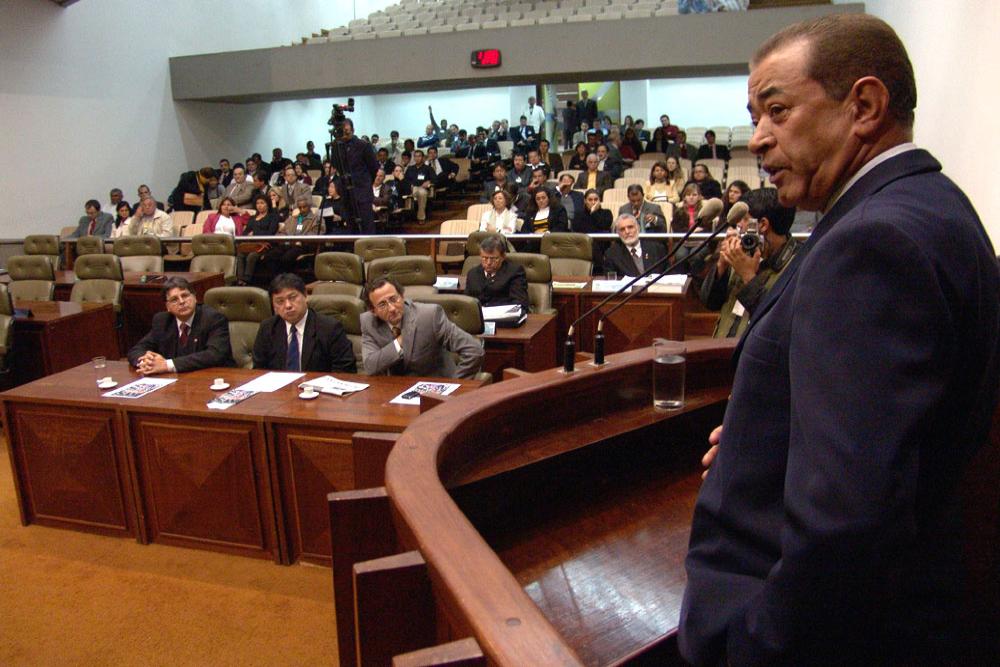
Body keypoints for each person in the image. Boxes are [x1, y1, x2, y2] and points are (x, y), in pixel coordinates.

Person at [679, 14, 1000, 667]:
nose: (758, 138)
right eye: (754, 117)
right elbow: (893, 433)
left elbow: (846, 527)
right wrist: (769, 439)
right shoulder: (933, 205)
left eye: (778, 111)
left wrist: (751, 645)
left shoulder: (871, 244)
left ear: (864, 107)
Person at [700, 187, 798, 339]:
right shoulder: (742, 252)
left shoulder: (797, 265)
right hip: (723, 346)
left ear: (763, 225)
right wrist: (721, 265)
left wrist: (748, 276)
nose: (738, 225)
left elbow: (777, 323)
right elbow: (710, 302)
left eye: (744, 219)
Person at [360, 277, 484, 379]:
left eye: (394, 299)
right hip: (395, 391)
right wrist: (399, 342)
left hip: (435, 389)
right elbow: (370, 366)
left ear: (402, 296)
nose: (392, 308)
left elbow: (474, 350)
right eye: (382, 304)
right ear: (373, 311)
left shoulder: (429, 316)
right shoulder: (368, 322)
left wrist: (455, 384)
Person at [252, 273, 356, 373]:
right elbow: (258, 370)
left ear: (305, 295)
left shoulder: (330, 328)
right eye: (280, 301)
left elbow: (345, 371)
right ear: (273, 306)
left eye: (292, 297)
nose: (288, 305)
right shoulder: (268, 328)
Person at [127, 276, 234, 374]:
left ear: (195, 298)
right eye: (174, 300)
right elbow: (136, 350)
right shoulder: (162, 321)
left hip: (214, 378)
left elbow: (214, 355)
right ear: (167, 306)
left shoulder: (212, 318)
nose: (182, 302)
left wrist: (167, 365)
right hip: (178, 380)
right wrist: (147, 362)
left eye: (185, 296)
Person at [334, 117, 380, 235]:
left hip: (362, 191)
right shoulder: (337, 146)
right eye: (342, 131)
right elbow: (336, 165)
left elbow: (373, 168)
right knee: (350, 226)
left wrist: (363, 182)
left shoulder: (363, 145)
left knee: (366, 225)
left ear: (353, 130)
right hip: (346, 192)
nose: (345, 134)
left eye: (347, 131)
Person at [465, 233, 530, 313]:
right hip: (478, 318)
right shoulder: (473, 274)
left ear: (503, 257)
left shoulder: (514, 272)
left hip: (504, 317)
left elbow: (520, 304)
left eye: (493, 259)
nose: (488, 263)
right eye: (485, 258)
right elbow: (467, 303)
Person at [264, 196, 319, 275]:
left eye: (304, 207)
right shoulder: (292, 219)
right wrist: (284, 239)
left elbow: (315, 233)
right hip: (287, 244)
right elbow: (281, 232)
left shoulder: (316, 219)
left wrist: (301, 240)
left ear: (309, 207)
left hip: (303, 245)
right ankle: (276, 278)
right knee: (270, 256)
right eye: (300, 207)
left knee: (286, 258)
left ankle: (284, 278)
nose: (302, 209)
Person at [603, 213, 666, 278]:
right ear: (618, 233)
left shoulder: (657, 249)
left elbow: (668, 275)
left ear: (638, 228)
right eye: (622, 229)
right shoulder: (612, 254)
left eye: (630, 227)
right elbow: (611, 280)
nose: (627, 232)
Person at [237, 194, 279, 285]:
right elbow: (245, 233)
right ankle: (239, 279)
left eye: (262, 203)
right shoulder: (252, 218)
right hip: (251, 244)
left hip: (265, 244)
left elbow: (271, 232)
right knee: (240, 254)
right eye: (257, 203)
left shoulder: (272, 217)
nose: (259, 205)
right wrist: (249, 235)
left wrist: (254, 233)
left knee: (252, 255)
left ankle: (247, 280)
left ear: (267, 204)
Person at [404, 149, 435, 222]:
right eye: (415, 156)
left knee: (422, 193)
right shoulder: (410, 168)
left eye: (419, 156)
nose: (417, 158)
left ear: (423, 158)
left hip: (422, 188)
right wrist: (409, 185)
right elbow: (405, 180)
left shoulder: (428, 168)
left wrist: (429, 181)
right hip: (411, 188)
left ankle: (421, 217)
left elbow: (435, 179)